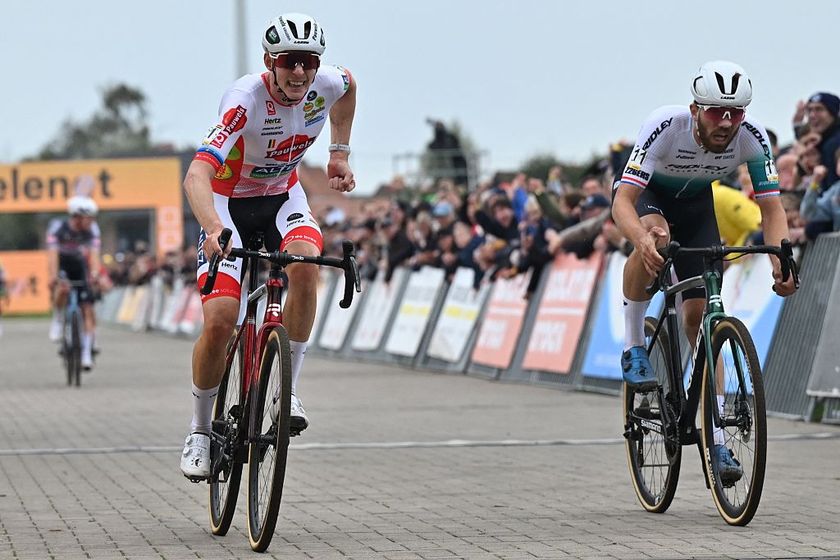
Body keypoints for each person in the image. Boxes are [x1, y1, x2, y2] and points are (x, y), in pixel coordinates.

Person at [179, 12, 356, 480]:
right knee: (219, 323)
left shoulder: (328, 82)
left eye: (308, 62)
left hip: (282, 198)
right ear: (269, 62)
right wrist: (214, 227)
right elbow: (196, 174)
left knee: (305, 264)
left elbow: (350, 86)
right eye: (289, 62)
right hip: (229, 206)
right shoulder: (244, 101)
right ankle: (199, 430)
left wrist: (339, 153)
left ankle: (289, 388)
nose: (300, 72)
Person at [611, 61, 797, 484]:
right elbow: (622, 203)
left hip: (698, 209)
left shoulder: (754, 139)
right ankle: (634, 343)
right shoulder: (665, 126)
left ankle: (717, 441)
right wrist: (641, 238)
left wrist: (780, 260)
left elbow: (771, 209)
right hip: (650, 199)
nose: (726, 122)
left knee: (700, 319)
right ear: (696, 109)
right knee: (656, 236)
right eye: (716, 111)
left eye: (735, 113)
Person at [47, 196, 102, 369]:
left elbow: (94, 256)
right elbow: (52, 255)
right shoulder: (58, 228)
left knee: (87, 308)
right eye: (89, 217)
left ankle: (86, 354)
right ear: (77, 216)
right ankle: (57, 318)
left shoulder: (92, 230)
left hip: (79, 266)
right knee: (62, 288)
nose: (92, 221)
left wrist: (94, 274)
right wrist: (53, 275)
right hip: (63, 263)